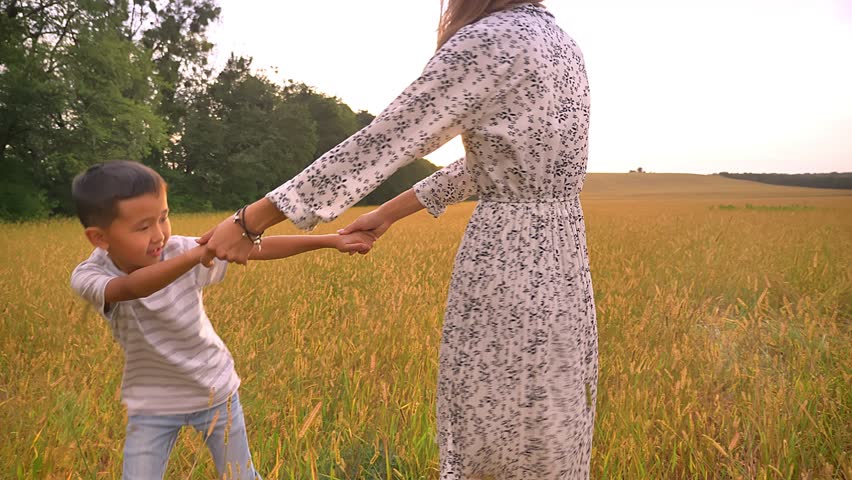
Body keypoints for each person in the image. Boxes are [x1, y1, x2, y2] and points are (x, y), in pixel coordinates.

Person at [199, 1, 596, 478]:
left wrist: (251, 220)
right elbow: (492, 163)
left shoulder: (490, 39)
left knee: (492, 429)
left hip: (508, 261)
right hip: (565, 260)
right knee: (543, 425)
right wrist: (388, 212)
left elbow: (384, 140)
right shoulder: (560, 44)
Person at [69, 160, 374, 479]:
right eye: (143, 227)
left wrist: (329, 241)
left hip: (215, 390)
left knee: (240, 476)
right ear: (99, 239)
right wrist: (195, 256)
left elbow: (258, 248)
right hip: (152, 403)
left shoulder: (180, 250)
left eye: (164, 218)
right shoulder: (90, 275)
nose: (159, 235)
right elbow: (130, 288)